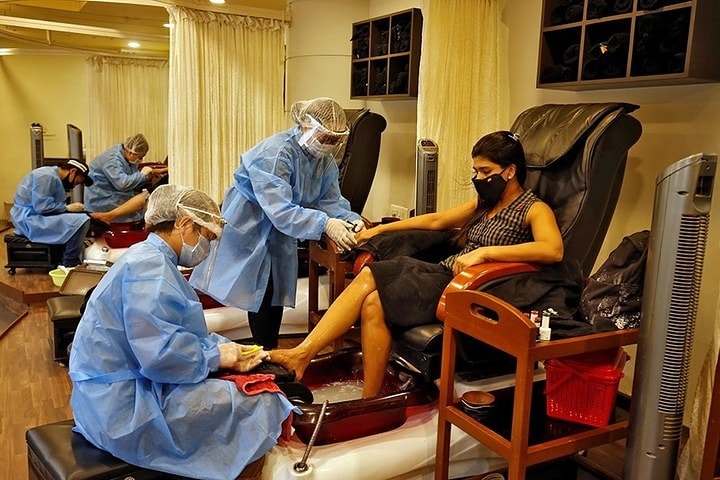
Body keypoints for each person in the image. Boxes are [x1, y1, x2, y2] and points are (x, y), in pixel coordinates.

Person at [271, 131, 565, 398]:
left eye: (485, 171)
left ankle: (302, 354)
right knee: (373, 304)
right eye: (475, 170)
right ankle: (370, 400)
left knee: (373, 275)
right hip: (446, 274)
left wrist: (485, 253)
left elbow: (552, 250)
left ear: (510, 171)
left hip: (474, 287)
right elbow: (436, 220)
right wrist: (379, 230)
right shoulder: (485, 204)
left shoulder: (533, 208)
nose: (478, 178)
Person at [69, 184, 297, 480]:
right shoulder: (149, 269)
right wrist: (216, 357)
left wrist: (228, 349)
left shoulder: (149, 257)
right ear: (185, 223)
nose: (207, 249)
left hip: (112, 391)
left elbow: (175, 333)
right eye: (207, 238)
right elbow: (159, 357)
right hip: (122, 409)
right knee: (264, 400)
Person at [189, 97, 363, 349]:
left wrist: (349, 218)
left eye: (334, 140)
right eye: (324, 137)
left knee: (273, 290)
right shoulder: (276, 153)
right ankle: (251, 349)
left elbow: (330, 199)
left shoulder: (323, 162)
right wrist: (325, 224)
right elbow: (281, 210)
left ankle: (267, 351)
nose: (328, 145)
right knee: (252, 285)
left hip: (281, 228)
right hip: (251, 222)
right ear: (306, 125)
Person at [10, 159, 94, 268]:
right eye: (77, 182)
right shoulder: (46, 176)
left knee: (80, 218)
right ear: (72, 171)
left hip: (35, 216)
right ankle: (70, 262)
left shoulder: (53, 176)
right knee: (82, 221)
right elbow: (42, 207)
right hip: (29, 219)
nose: (75, 186)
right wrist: (67, 208)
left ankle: (66, 256)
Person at [84, 133, 168, 223]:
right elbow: (122, 184)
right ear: (131, 152)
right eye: (140, 157)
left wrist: (150, 175)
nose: (141, 160)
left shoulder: (125, 157)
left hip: (113, 194)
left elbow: (131, 176)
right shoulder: (112, 160)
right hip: (103, 201)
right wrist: (142, 175)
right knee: (147, 208)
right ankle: (108, 216)